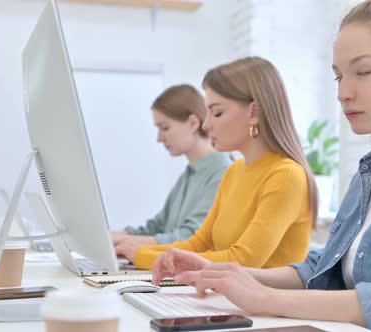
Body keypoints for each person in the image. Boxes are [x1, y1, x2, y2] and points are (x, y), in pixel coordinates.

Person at [150, 1, 371, 331]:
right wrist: (227, 273)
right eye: (339, 76)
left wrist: (268, 299)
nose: (343, 92)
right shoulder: (369, 174)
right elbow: (323, 272)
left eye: (363, 72)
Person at [117, 57, 318, 270]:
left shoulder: (286, 175)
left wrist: (141, 255)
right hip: (227, 299)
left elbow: (243, 260)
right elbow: (199, 244)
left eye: (217, 112)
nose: (207, 124)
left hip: (263, 302)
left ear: (254, 112)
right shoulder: (234, 172)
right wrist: (131, 250)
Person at [112, 84, 231, 251]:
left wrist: (125, 243)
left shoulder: (223, 172)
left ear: (193, 123)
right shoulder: (189, 174)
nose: (159, 138)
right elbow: (159, 227)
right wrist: (118, 236)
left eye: (165, 128)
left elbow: (191, 237)